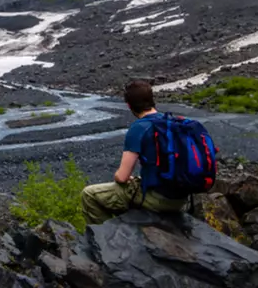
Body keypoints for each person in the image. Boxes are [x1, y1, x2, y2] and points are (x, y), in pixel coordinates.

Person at [81, 80, 189, 225]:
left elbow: (122, 177)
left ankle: (102, 240)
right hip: (182, 197)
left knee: (89, 195)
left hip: (158, 199)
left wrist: (123, 178)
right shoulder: (172, 122)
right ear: (152, 100)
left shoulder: (139, 128)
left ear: (129, 105)